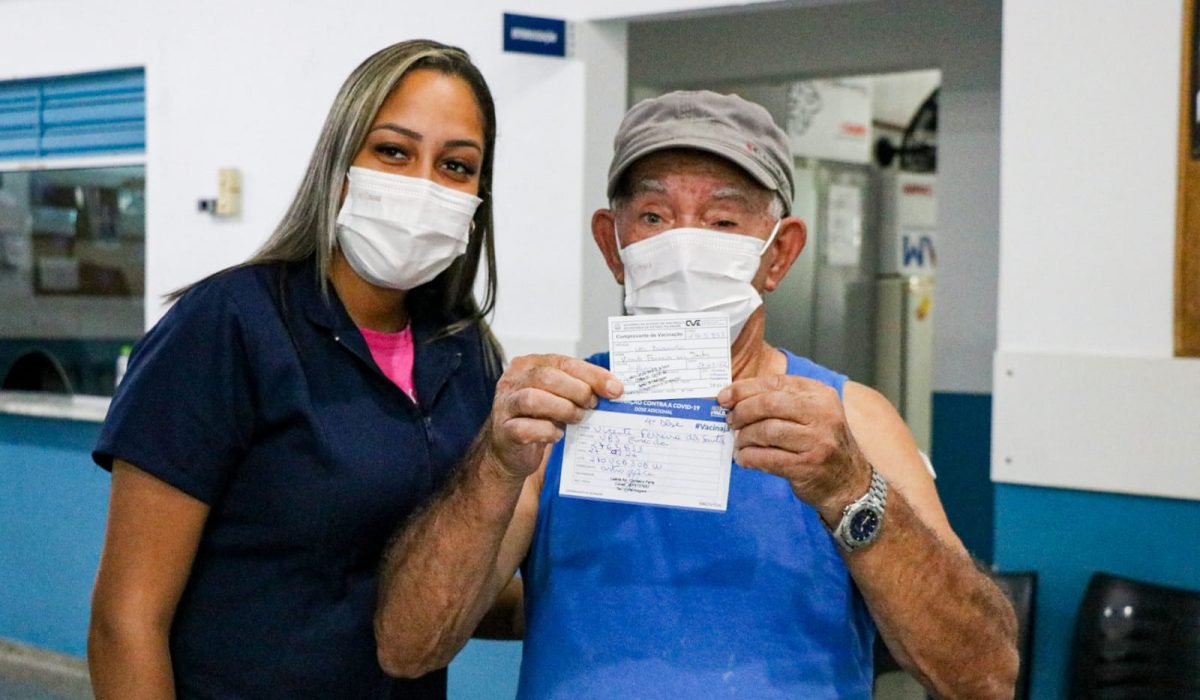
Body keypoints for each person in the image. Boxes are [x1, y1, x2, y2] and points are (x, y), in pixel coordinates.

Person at [374, 90, 1019, 699]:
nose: (684, 244)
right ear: (613, 244)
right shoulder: (555, 420)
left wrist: (850, 487)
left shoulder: (852, 419)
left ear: (779, 253)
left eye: (723, 219)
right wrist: (493, 463)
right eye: (653, 216)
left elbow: (984, 677)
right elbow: (408, 649)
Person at [88, 39, 502, 699]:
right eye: (393, 151)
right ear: (339, 164)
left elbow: (460, 591)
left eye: (456, 165)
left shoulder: (467, 354)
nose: (425, 185)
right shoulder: (228, 325)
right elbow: (126, 620)